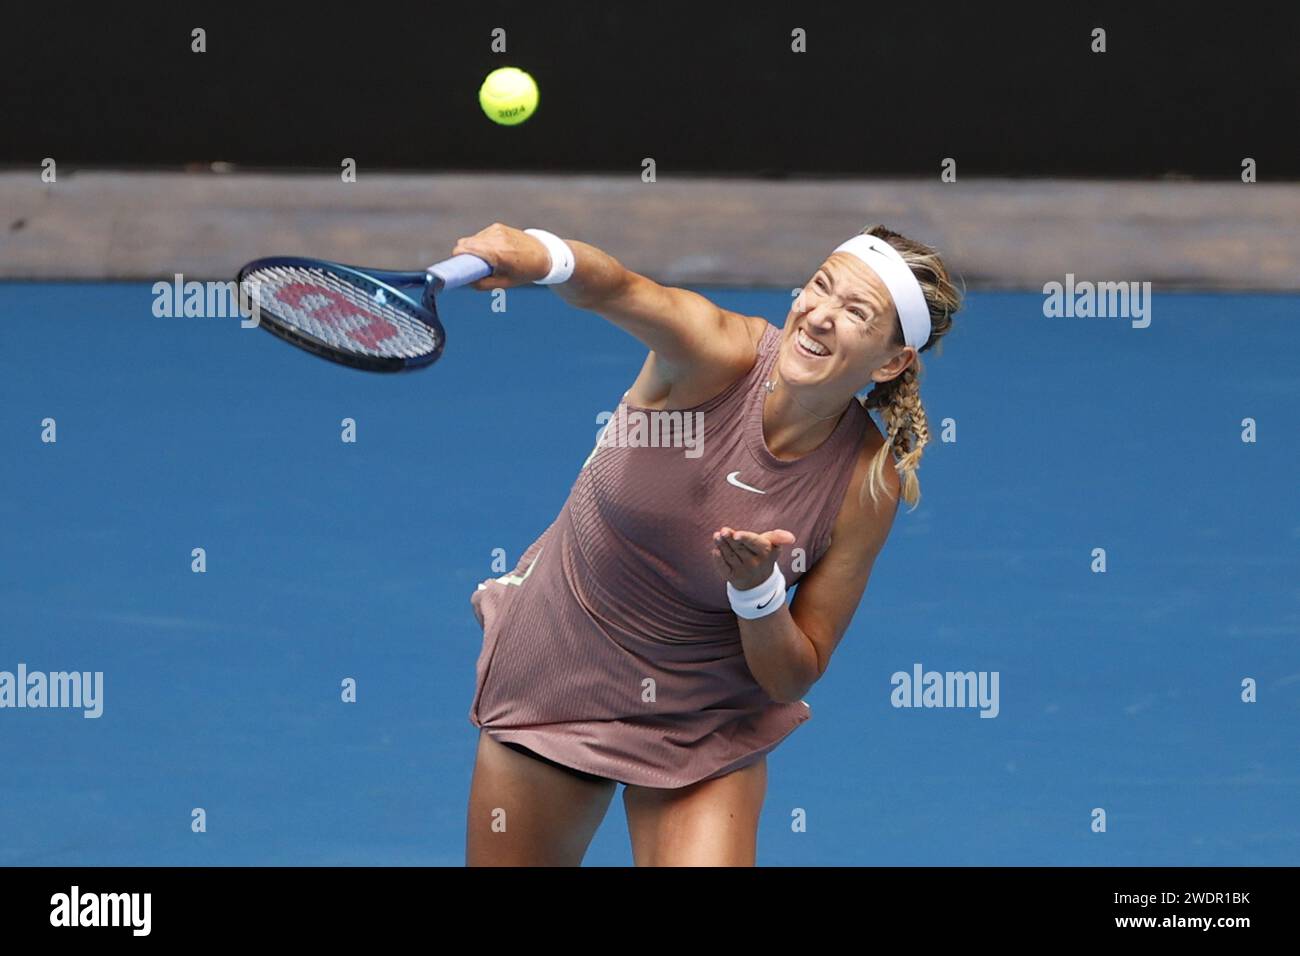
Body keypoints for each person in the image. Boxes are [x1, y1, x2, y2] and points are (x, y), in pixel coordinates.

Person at [456, 222, 961, 865]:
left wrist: (758, 593)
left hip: (704, 719)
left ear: (891, 362)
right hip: (561, 666)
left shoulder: (867, 480)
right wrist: (543, 256)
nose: (821, 316)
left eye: (856, 311)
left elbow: (790, 675)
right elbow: (620, 288)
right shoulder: (715, 353)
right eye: (821, 287)